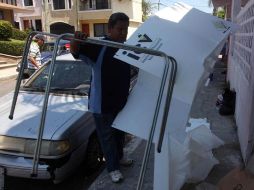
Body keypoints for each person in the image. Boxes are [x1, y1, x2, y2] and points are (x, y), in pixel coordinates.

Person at [71, 12, 133, 183]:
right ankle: (112, 168)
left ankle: (119, 158)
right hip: (102, 103)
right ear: (110, 28)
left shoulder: (126, 47)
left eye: (125, 30)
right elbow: (75, 52)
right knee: (107, 137)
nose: (123, 34)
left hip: (120, 101)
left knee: (119, 134)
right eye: (120, 29)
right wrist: (76, 39)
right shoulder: (99, 45)